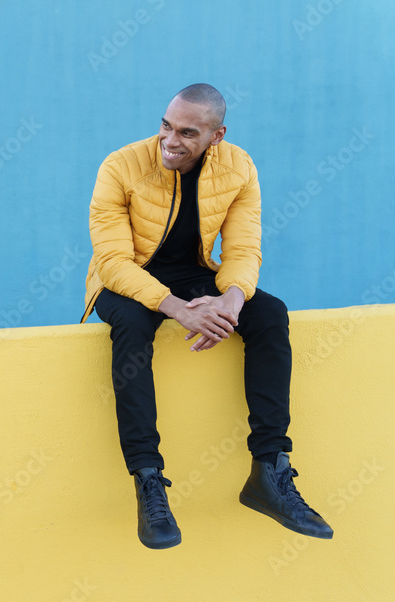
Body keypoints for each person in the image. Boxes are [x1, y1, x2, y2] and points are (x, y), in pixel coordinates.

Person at [82, 84, 333, 549]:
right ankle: (148, 479)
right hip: (124, 280)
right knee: (133, 326)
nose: (170, 140)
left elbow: (243, 249)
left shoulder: (239, 167)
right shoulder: (121, 166)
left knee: (270, 313)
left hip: (195, 275)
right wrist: (177, 309)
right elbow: (112, 261)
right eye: (165, 126)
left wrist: (231, 301)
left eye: (187, 132)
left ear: (216, 135)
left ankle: (269, 472)